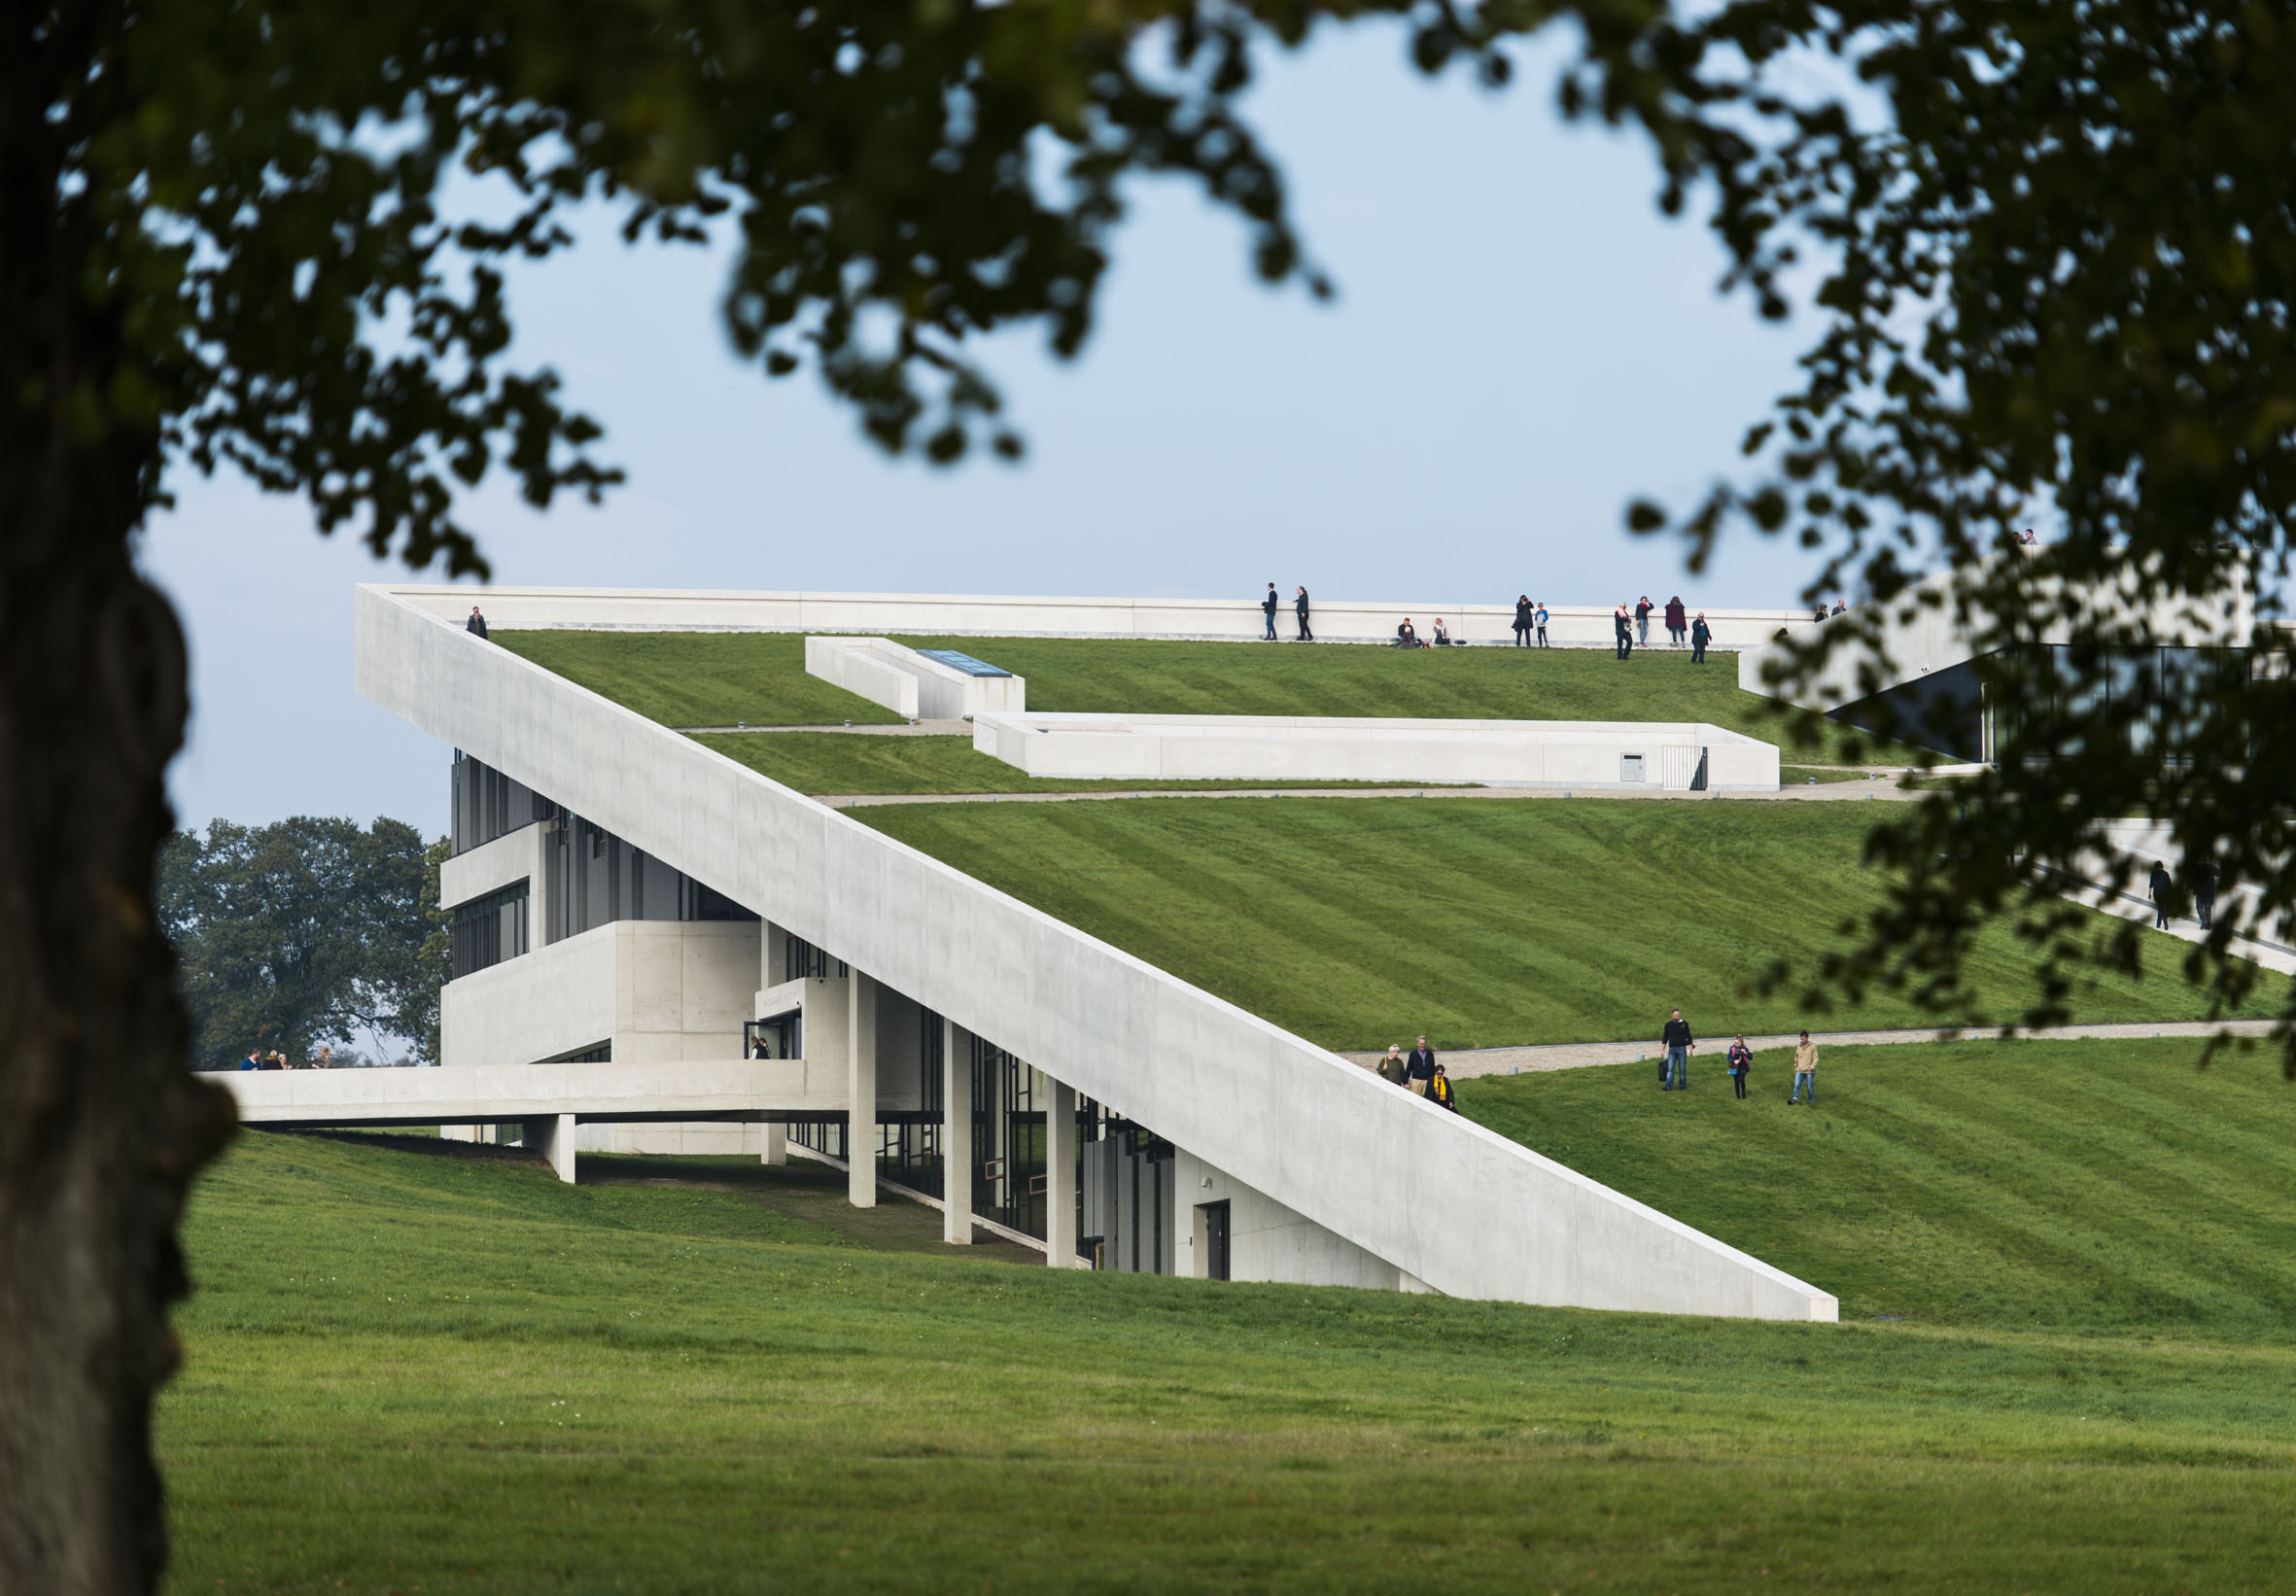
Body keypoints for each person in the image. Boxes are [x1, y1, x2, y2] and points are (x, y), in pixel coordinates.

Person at [1660, 1007, 1693, 1092]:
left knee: (1682, 1068)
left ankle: (1682, 1087)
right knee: (1670, 1068)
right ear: (1672, 1016)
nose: (1678, 1017)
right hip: (1672, 1050)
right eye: (1676, 1015)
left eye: (1678, 1015)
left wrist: (1690, 1047)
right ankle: (1668, 1086)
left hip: (1682, 1049)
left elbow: (1688, 1036)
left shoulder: (1684, 1024)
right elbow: (1665, 1038)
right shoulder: (1668, 1025)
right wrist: (1662, 1050)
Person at [1790, 1031, 1818, 1103]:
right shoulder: (1799, 1046)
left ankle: (1811, 1100)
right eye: (1801, 1039)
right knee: (1796, 1085)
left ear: (1807, 1038)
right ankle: (1795, 1098)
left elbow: (1815, 1058)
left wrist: (1812, 1066)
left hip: (1809, 1071)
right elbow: (1796, 1057)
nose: (1802, 1040)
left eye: (1803, 1039)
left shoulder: (1812, 1046)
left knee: (1809, 1087)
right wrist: (1796, 1067)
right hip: (1799, 1070)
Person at [2190, 857, 2216, 931]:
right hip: (2210, 892)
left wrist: (2192, 889)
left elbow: (2193, 880)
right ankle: (2208, 924)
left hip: (2200, 892)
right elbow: (2218, 872)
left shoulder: (2197, 869)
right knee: (2208, 908)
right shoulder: (2210, 868)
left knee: (2199, 908)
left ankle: (2204, 921)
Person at [2148, 858, 2175, 928]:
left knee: (2160, 909)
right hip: (2165, 894)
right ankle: (2163, 924)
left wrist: (2149, 893)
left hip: (2157, 894)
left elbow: (2151, 884)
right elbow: (2169, 885)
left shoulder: (2153, 874)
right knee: (2162, 909)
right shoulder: (2166, 874)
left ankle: (2160, 924)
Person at [1726, 1035, 1753, 1099]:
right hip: (1733, 1066)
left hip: (1742, 1067)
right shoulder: (1732, 1048)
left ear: (1741, 1042)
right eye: (1735, 1043)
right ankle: (1738, 1096)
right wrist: (1733, 1061)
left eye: (1737, 1043)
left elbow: (1751, 1057)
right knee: (1736, 1081)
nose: (1736, 1044)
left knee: (1742, 1080)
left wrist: (1746, 1053)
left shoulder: (1744, 1048)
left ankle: (1743, 1094)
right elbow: (1729, 1057)